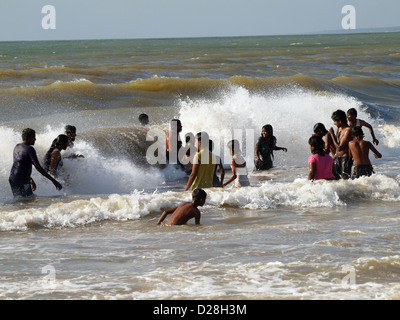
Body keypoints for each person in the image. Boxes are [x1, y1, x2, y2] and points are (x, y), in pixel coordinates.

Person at [8, 128, 62, 197]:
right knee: (28, 200)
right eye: (33, 137)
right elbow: (38, 167)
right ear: (28, 138)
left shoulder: (17, 146)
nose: (35, 139)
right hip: (22, 180)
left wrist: (29, 178)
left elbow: (19, 165)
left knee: (20, 200)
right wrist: (53, 181)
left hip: (13, 179)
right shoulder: (30, 149)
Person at [329, 110, 353, 179]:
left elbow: (340, 147)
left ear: (340, 121)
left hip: (345, 158)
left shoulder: (348, 130)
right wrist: (335, 156)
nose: (334, 123)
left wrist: (332, 134)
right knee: (337, 179)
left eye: (334, 121)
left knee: (346, 179)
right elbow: (337, 142)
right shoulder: (339, 128)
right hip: (338, 158)